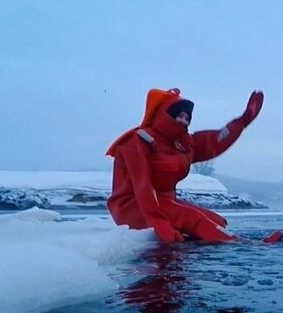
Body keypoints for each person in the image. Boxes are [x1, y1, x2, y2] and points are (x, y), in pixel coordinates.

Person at [105, 87, 263, 243]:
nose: (184, 121)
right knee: (194, 218)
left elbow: (214, 141)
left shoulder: (181, 144)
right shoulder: (137, 141)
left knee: (217, 221)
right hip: (134, 206)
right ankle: (247, 244)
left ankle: (193, 244)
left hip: (163, 202)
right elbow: (142, 185)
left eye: (187, 118)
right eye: (179, 116)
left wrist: (242, 122)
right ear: (164, 114)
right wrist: (157, 221)